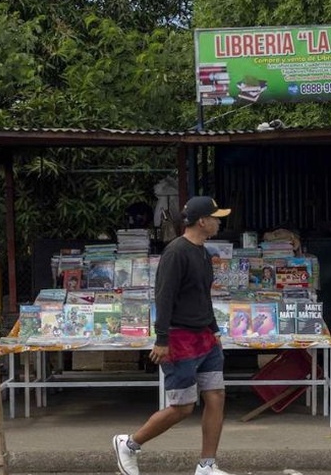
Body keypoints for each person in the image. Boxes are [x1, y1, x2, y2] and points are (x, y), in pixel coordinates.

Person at [114, 196, 234, 475]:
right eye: (216, 218)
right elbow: (164, 297)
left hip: (205, 337)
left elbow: (202, 296)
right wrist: (162, 339)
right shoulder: (175, 252)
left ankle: (207, 465)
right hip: (179, 340)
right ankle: (129, 444)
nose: (219, 222)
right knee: (183, 407)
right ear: (202, 221)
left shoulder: (204, 252)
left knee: (216, 396)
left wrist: (215, 330)